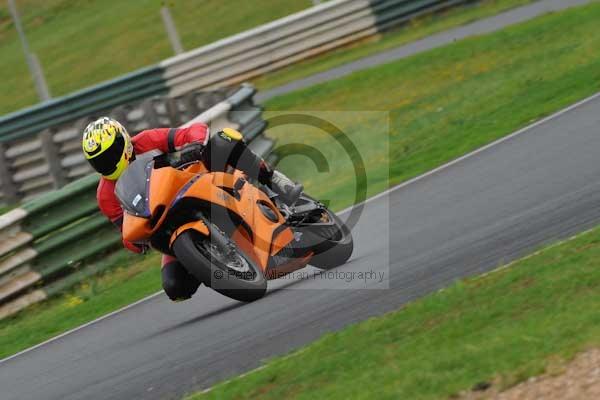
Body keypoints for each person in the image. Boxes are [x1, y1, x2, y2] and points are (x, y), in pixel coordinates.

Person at [82, 116, 302, 301]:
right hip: (165, 226)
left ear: (124, 142)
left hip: (195, 182)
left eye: (110, 155)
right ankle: (212, 260)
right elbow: (126, 231)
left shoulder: (147, 140)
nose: (107, 164)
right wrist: (135, 241)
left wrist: (193, 144)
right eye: (99, 161)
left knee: (224, 139)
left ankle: (275, 180)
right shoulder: (105, 196)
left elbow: (192, 131)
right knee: (175, 288)